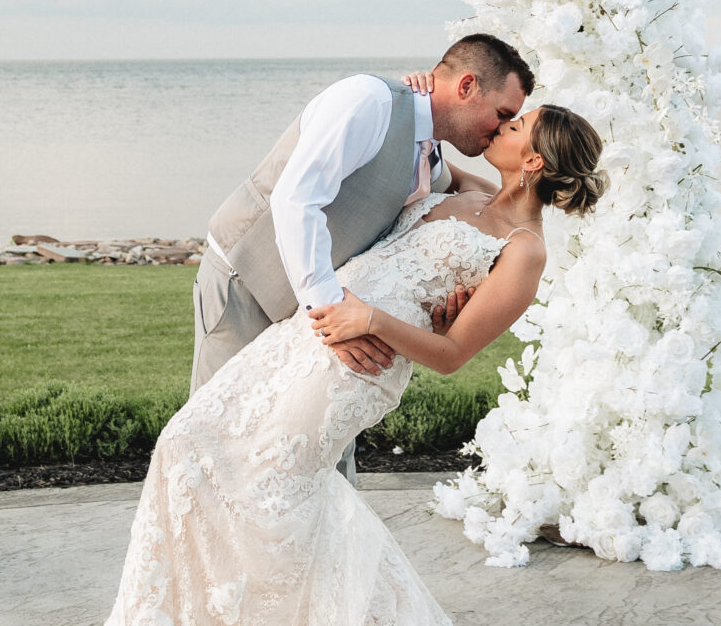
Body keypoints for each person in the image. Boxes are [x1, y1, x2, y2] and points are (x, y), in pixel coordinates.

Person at [102, 102, 609, 626]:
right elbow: (420, 144)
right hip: (309, 334)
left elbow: (452, 354)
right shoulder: (470, 190)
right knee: (188, 440)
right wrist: (412, 99)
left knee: (280, 488)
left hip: (358, 363)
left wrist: (370, 321)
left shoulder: (524, 251)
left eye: (513, 127)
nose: (499, 129)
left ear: (534, 160)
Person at [190, 35, 535, 400]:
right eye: (502, 114)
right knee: (216, 425)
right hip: (247, 283)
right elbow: (296, 200)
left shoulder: (428, 153)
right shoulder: (368, 102)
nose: (500, 128)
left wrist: (531, 213)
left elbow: (478, 196)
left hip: (313, 312)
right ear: (467, 86)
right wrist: (331, 315)